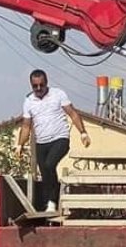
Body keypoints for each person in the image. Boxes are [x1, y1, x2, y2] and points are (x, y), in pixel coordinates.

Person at [16, 69, 90, 212]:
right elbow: (26, 126)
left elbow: (73, 114)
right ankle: (49, 203)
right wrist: (20, 144)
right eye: (35, 86)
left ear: (46, 83)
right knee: (45, 172)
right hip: (41, 142)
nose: (38, 89)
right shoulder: (29, 101)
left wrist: (83, 133)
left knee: (50, 164)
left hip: (59, 138)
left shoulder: (58, 94)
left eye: (41, 85)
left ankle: (52, 200)